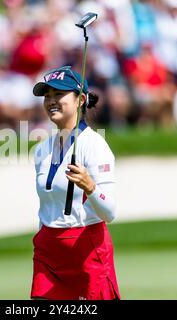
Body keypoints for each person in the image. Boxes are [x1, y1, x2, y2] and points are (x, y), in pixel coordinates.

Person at [30, 66, 120, 300]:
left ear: (80, 99)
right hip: (48, 251)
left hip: (86, 249)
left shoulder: (95, 146)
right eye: (47, 96)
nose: (51, 101)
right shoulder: (42, 149)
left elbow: (109, 213)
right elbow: (46, 209)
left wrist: (90, 187)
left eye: (58, 95)